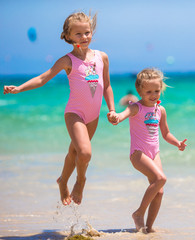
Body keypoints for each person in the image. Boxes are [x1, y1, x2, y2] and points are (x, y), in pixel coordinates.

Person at [3, 11, 117, 205]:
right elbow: (42, 78)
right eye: (79, 34)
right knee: (85, 153)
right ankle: (80, 181)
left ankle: (62, 181)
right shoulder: (67, 60)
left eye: (87, 32)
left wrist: (112, 109)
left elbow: (106, 85)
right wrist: (19, 88)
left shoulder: (102, 57)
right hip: (75, 113)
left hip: (93, 115)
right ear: (68, 36)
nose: (84, 37)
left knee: (75, 152)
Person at [108, 68, 187, 233]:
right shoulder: (136, 108)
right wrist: (115, 117)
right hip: (138, 153)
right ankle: (138, 213)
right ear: (139, 91)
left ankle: (148, 229)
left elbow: (165, 133)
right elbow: (122, 115)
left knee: (159, 191)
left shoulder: (160, 110)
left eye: (157, 91)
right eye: (149, 91)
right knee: (160, 178)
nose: (153, 94)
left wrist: (177, 142)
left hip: (154, 153)